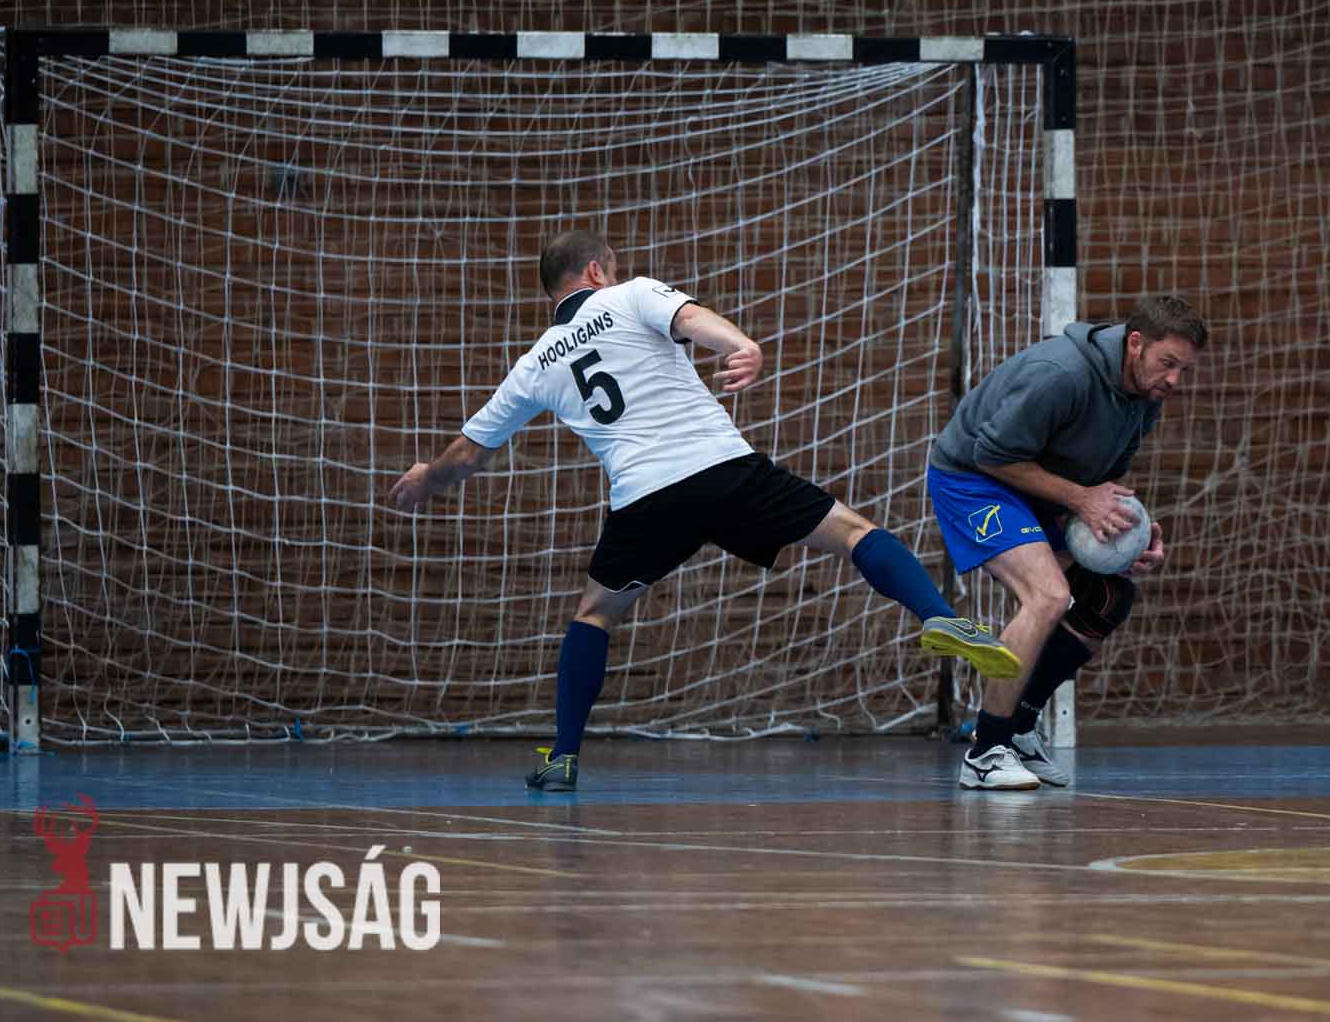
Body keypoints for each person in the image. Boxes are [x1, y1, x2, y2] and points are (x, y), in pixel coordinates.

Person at [389, 229, 1021, 790]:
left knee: (595, 614)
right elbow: (691, 319)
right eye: (611, 266)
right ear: (595, 271)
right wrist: (744, 345)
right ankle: (941, 618)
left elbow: (468, 454)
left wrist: (426, 479)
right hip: (722, 473)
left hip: (643, 500)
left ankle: (564, 757)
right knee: (856, 533)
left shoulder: (535, 364)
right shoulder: (630, 294)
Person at [927, 295, 1208, 789]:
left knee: (1108, 597)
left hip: (1040, 487)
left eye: (1184, 369)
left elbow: (1100, 484)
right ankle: (986, 750)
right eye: (1168, 363)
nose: (1174, 381)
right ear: (1135, 343)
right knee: (1049, 596)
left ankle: (1019, 727)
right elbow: (990, 455)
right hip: (973, 480)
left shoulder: (1144, 397)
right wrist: (1082, 500)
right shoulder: (1060, 375)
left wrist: (1131, 534)